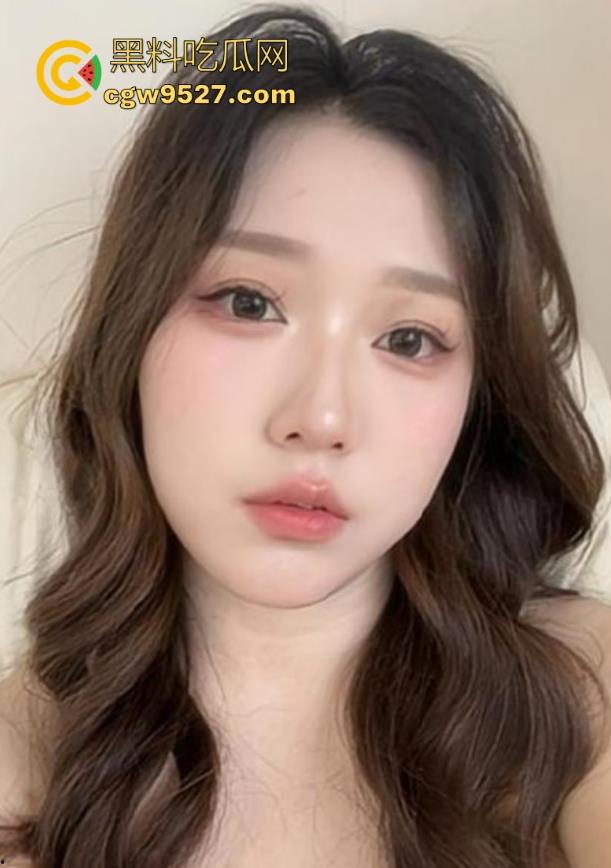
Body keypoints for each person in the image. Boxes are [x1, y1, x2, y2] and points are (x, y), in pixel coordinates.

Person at [1, 4, 610, 866]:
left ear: (475, 399)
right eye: (249, 302)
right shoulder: (28, 760)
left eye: (409, 339)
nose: (321, 419)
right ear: (131, 330)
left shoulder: (578, 693)